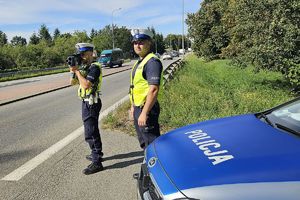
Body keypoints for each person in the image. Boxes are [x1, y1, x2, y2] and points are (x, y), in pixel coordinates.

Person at [69, 43, 104, 175]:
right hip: (86, 102)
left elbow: (86, 85)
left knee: (91, 132)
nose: (81, 57)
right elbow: (72, 83)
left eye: (83, 54)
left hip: (92, 103)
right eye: (80, 55)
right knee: (90, 130)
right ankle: (96, 153)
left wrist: (77, 71)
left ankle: (97, 162)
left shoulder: (94, 68)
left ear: (90, 53)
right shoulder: (85, 68)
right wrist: (73, 71)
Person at [129, 29, 163, 150]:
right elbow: (135, 87)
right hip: (139, 107)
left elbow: (153, 89)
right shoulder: (140, 62)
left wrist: (144, 113)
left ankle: (154, 167)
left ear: (149, 43)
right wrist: (133, 106)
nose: (137, 45)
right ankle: (148, 166)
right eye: (135, 42)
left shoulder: (152, 62)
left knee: (152, 144)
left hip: (147, 109)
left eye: (141, 42)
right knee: (144, 142)